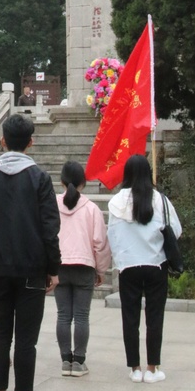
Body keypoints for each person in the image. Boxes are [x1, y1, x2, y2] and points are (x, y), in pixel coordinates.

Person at [0, 113, 60, 391]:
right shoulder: (39, 178)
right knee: (25, 339)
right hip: (32, 268)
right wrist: (53, 268)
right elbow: (50, 227)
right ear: (31, 142)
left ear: (3, 141)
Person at [107, 154, 182, 384]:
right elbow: (176, 231)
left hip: (128, 266)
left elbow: (112, 235)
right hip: (156, 265)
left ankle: (135, 369)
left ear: (127, 174)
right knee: (154, 317)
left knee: (129, 318)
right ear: (148, 173)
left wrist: (121, 259)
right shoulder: (161, 200)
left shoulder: (116, 202)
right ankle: (152, 368)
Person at [55, 161, 111, 377]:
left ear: (61, 181)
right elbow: (100, 242)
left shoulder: (52, 204)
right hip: (84, 266)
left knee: (63, 315)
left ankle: (64, 360)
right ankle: (78, 362)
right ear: (83, 183)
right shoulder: (91, 208)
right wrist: (101, 270)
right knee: (81, 316)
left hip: (60, 266)